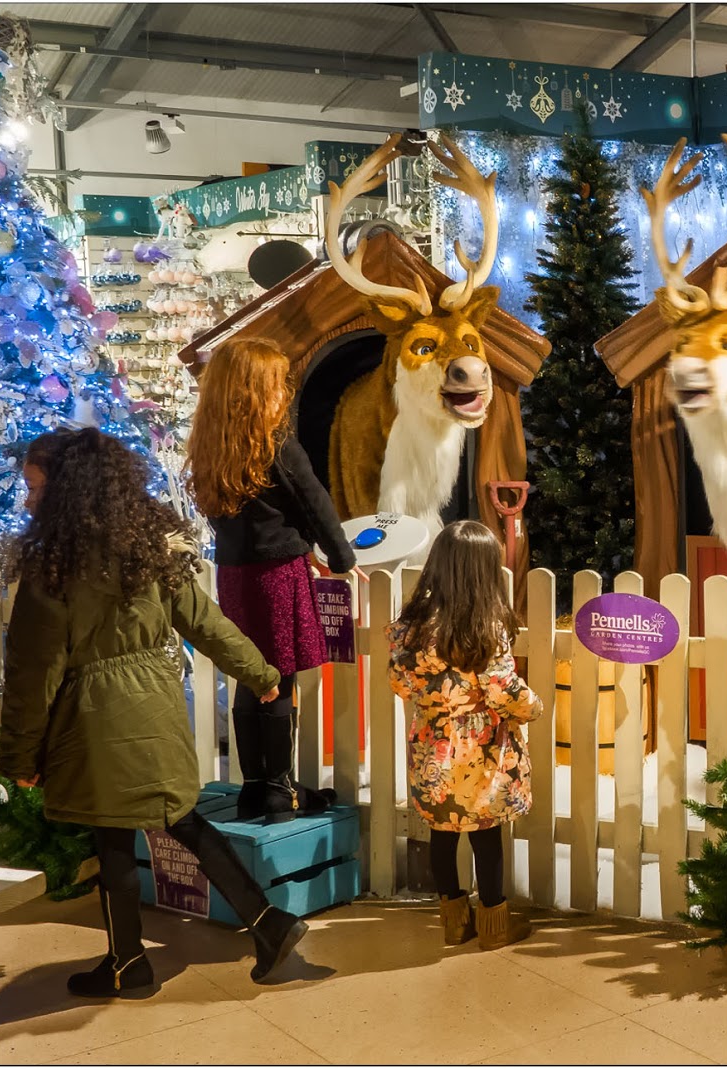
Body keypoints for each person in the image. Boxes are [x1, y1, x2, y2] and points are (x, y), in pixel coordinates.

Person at [0, 429, 307, 998]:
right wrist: (262, 675)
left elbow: (31, 674)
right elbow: (205, 621)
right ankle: (267, 924)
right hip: (158, 706)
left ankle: (128, 961)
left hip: (95, 723)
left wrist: (19, 755)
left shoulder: (54, 570)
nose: (29, 500)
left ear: (67, 491)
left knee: (114, 837)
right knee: (179, 817)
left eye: (36, 488)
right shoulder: (149, 547)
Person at [187, 337, 356, 821]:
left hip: (236, 576)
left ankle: (255, 786)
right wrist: (341, 559)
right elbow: (314, 502)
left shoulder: (211, 444)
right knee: (278, 680)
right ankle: (282, 789)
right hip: (278, 574)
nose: (284, 390)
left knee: (249, 675)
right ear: (257, 390)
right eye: (277, 382)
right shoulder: (275, 443)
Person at [387, 521, 541, 950]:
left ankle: (454, 921)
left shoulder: (411, 627)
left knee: (442, 833)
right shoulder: (483, 628)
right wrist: (533, 707)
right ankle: (495, 926)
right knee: (486, 837)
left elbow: (401, 683)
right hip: (480, 754)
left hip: (433, 747)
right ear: (483, 572)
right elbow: (504, 690)